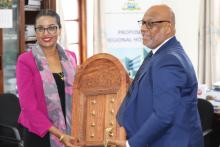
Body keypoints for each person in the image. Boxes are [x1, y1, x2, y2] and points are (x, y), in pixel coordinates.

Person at [109, 4, 204, 147]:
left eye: (150, 24)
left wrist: (130, 144)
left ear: (168, 28)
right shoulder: (162, 53)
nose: (142, 29)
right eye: (142, 23)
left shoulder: (168, 60)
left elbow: (163, 115)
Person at [16, 9, 77, 147]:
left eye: (51, 28)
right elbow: (28, 108)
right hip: (40, 135)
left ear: (59, 30)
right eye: (41, 29)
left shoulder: (71, 57)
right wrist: (60, 135)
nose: (46, 33)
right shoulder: (25, 61)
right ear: (35, 32)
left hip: (71, 132)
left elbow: (78, 95)